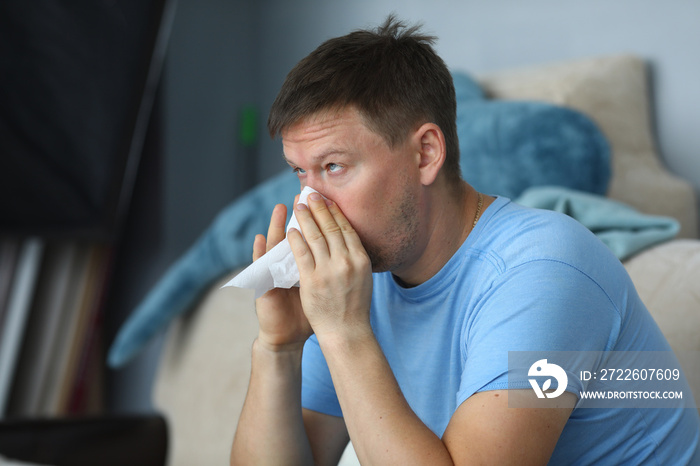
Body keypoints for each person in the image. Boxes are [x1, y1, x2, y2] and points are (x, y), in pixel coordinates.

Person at [230, 15, 700, 465]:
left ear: (426, 153)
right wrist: (278, 346)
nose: (310, 205)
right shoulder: (361, 277)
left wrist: (343, 332)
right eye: (300, 173)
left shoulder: (543, 269)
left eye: (334, 167)